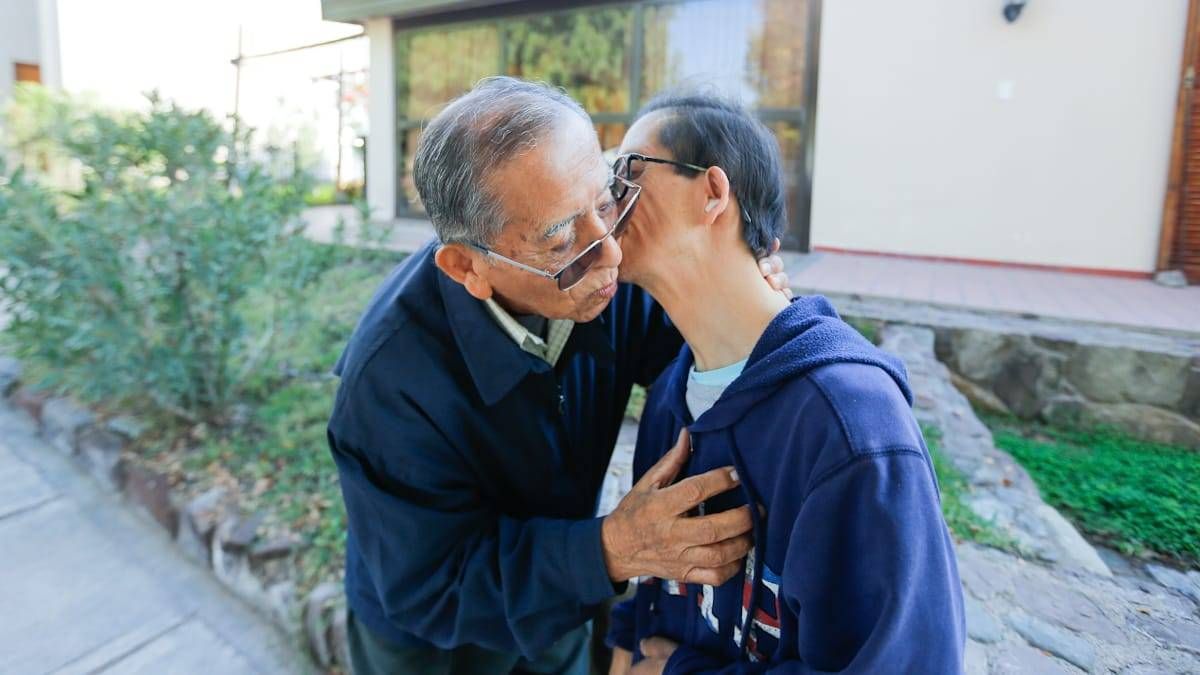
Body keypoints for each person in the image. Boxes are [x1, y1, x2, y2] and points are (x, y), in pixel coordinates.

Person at [326, 77, 791, 675]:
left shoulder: (602, 270)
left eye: (605, 200)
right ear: (468, 266)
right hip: (433, 640)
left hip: (565, 590)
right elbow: (430, 587)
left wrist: (743, 293)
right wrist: (611, 548)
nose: (612, 253)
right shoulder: (388, 381)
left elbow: (696, 356)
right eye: (559, 238)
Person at [606, 93, 965, 674]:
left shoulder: (853, 425)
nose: (608, 198)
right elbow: (648, 605)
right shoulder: (672, 398)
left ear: (712, 193)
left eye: (628, 172)